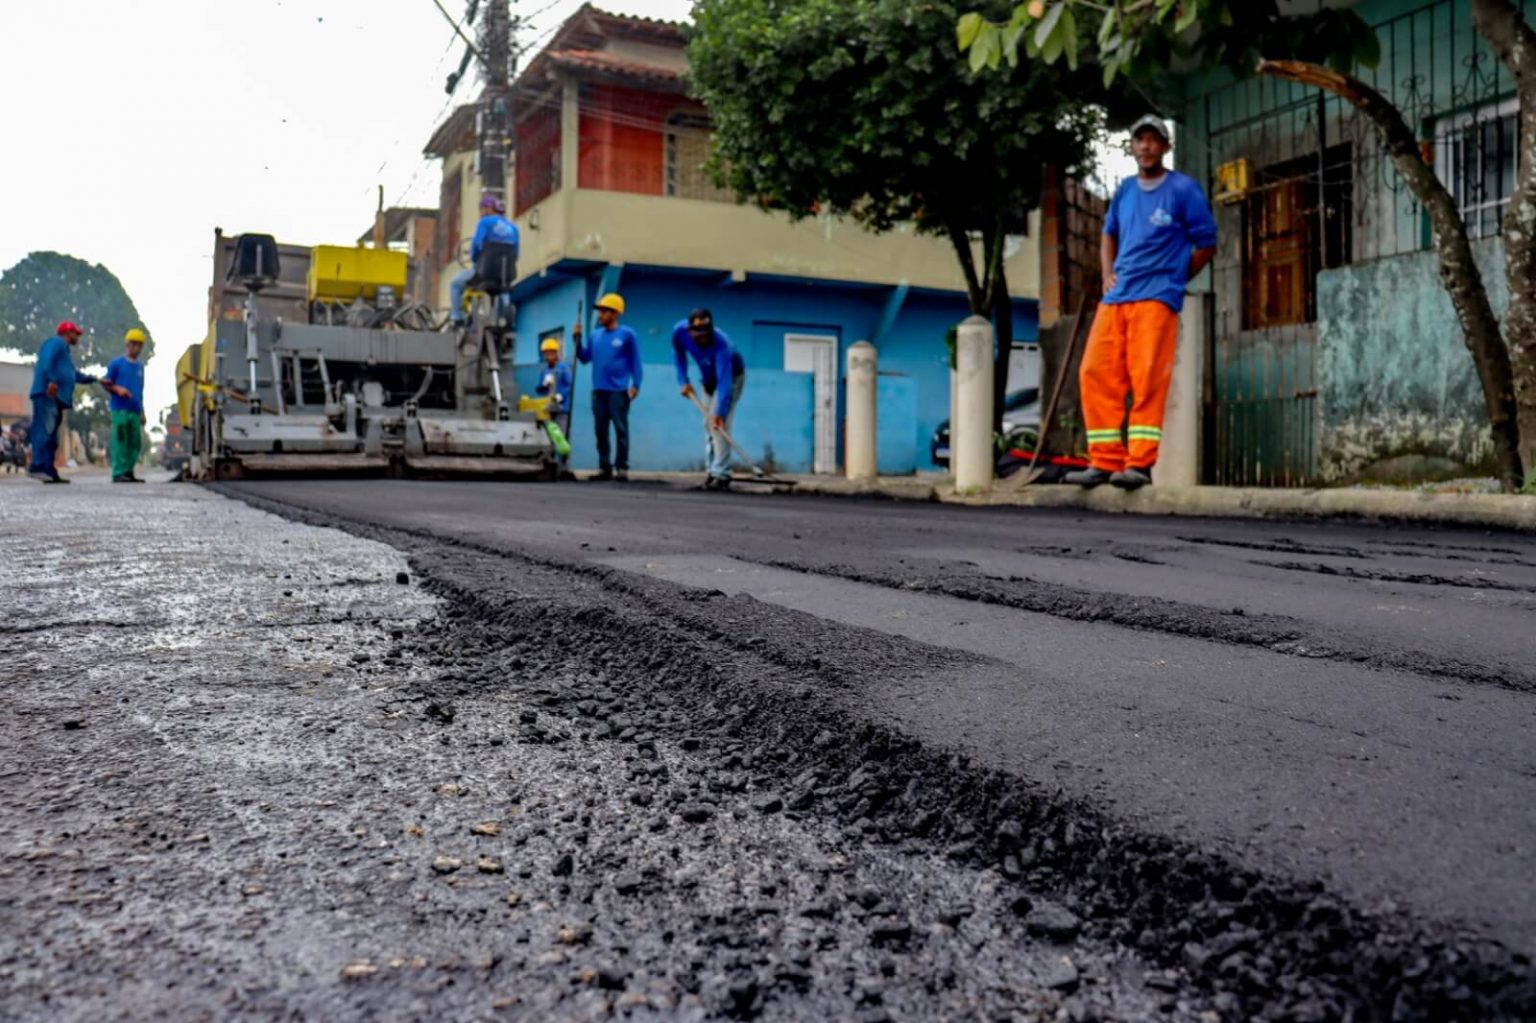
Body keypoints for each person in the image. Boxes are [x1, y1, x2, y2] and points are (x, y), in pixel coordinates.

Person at [1065, 114, 1217, 491]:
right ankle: (1103, 461)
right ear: (1132, 147)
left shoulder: (1184, 190)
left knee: (1146, 377)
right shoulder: (1126, 190)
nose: (1146, 146)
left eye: (1154, 140)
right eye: (1140, 140)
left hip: (1155, 298)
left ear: (1166, 147)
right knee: (1094, 372)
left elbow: (1207, 243)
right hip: (1117, 296)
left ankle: (1139, 464)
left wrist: (1177, 277)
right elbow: (1108, 233)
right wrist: (1107, 273)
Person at [27, 321, 119, 484]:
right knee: (44, 430)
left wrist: (97, 380)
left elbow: (73, 375)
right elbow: (45, 360)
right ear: (68, 333)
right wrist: (52, 381)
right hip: (48, 394)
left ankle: (49, 471)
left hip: (56, 398)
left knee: (52, 437)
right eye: (76, 334)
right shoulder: (55, 343)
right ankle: (37, 466)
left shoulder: (65, 354)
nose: (77, 337)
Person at [672, 308, 746, 490]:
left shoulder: (722, 345)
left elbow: (724, 383)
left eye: (706, 334)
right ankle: (712, 471)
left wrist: (720, 412)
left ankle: (722, 474)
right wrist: (683, 380)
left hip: (731, 379)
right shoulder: (679, 332)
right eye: (697, 334)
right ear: (689, 330)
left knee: (719, 426)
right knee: (707, 425)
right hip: (707, 381)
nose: (702, 338)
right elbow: (678, 354)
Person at [573, 293, 642, 481]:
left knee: (621, 430)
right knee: (600, 431)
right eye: (600, 311)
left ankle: (622, 467)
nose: (600, 315)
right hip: (599, 391)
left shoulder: (627, 335)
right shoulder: (595, 335)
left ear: (615, 313)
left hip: (618, 391)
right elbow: (585, 358)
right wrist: (577, 340)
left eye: (604, 311)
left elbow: (635, 362)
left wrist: (635, 384)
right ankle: (605, 467)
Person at [449, 194, 520, 326]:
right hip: (506, 274)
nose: (480, 213)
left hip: (485, 273)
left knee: (455, 284)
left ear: (488, 208)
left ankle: (457, 317)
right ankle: (506, 319)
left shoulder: (484, 223)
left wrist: (475, 260)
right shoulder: (513, 228)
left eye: (481, 209)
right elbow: (515, 255)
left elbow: (476, 246)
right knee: (503, 289)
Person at [102, 328, 149, 483]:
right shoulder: (116, 364)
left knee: (135, 442)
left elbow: (140, 390)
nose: (136, 348)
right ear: (127, 344)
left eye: (139, 345)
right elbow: (105, 382)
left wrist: (142, 412)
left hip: (134, 410)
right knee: (121, 440)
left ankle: (129, 471)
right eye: (133, 344)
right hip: (120, 409)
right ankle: (119, 472)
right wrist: (117, 389)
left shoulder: (140, 367)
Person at [535, 336, 575, 478]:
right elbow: (538, 390)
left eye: (551, 353)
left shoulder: (563, 368)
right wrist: (543, 385)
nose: (549, 356)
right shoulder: (544, 371)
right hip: (548, 409)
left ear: (556, 353)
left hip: (561, 409)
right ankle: (551, 466)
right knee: (549, 439)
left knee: (561, 438)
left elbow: (568, 385)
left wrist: (561, 396)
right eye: (546, 353)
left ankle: (564, 468)